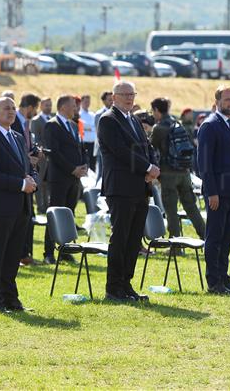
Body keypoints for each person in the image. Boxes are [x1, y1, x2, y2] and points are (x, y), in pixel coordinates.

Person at [98, 81, 159, 302]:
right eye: (124, 94)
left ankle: (126, 284)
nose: (129, 98)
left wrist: (152, 167)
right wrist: (147, 167)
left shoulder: (133, 118)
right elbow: (121, 152)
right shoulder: (108, 120)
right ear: (113, 97)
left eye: (132, 94)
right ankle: (113, 288)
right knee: (121, 237)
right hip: (121, 187)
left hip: (140, 186)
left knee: (134, 239)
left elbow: (147, 146)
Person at [0, 96, 36, 312]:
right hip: (0, 207)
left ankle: (11, 298)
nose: (10, 112)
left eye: (13, 108)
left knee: (12, 257)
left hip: (20, 206)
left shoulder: (18, 137)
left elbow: (27, 168)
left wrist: (32, 180)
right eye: (5, 108)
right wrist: (22, 184)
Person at [197, 85, 230, 295]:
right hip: (217, 192)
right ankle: (214, 281)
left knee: (227, 237)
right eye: (227, 99)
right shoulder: (210, 125)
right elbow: (204, 163)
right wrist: (212, 192)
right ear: (217, 101)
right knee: (215, 237)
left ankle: (225, 279)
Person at [150, 97, 205, 240]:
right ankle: (206, 236)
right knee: (191, 207)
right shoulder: (177, 123)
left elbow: (151, 147)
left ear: (157, 110)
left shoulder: (159, 128)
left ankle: (175, 244)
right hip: (184, 172)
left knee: (171, 210)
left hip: (168, 174)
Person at [43, 94, 88, 264]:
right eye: (73, 106)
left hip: (75, 178)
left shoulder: (73, 125)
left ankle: (65, 250)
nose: (76, 109)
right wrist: (72, 169)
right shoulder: (52, 125)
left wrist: (84, 165)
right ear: (62, 107)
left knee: (69, 214)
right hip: (60, 177)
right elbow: (54, 153)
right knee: (55, 214)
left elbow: (81, 148)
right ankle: (49, 252)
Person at [11, 93, 40, 265]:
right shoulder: (14, 122)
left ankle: (25, 253)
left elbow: (28, 145)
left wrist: (35, 153)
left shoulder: (26, 123)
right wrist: (27, 159)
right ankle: (20, 254)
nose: (35, 112)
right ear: (29, 107)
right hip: (18, 178)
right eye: (35, 108)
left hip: (28, 174)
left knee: (29, 217)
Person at [30, 97, 52, 220]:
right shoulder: (36, 120)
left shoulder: (52, 119)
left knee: (47, 183)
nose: (49, 107)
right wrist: (40, 150)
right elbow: (35, 138)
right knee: (39, 181)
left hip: (51, 157)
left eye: (50, 105)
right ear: (41, 106)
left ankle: (47, 204)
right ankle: (40, 206)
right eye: (46, 105)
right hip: (41, 156)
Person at [80, 94, 97, 171]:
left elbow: (95, 126)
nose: (87, 103)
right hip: (84, 142)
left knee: (93, 164)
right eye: (85, 101)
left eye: (88, 102)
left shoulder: (92, 114)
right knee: (85, 163)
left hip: (93, 142)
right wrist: (89, 127)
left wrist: (89, 127)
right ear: (81, 102)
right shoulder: (79, 114)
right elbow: (83, 126)